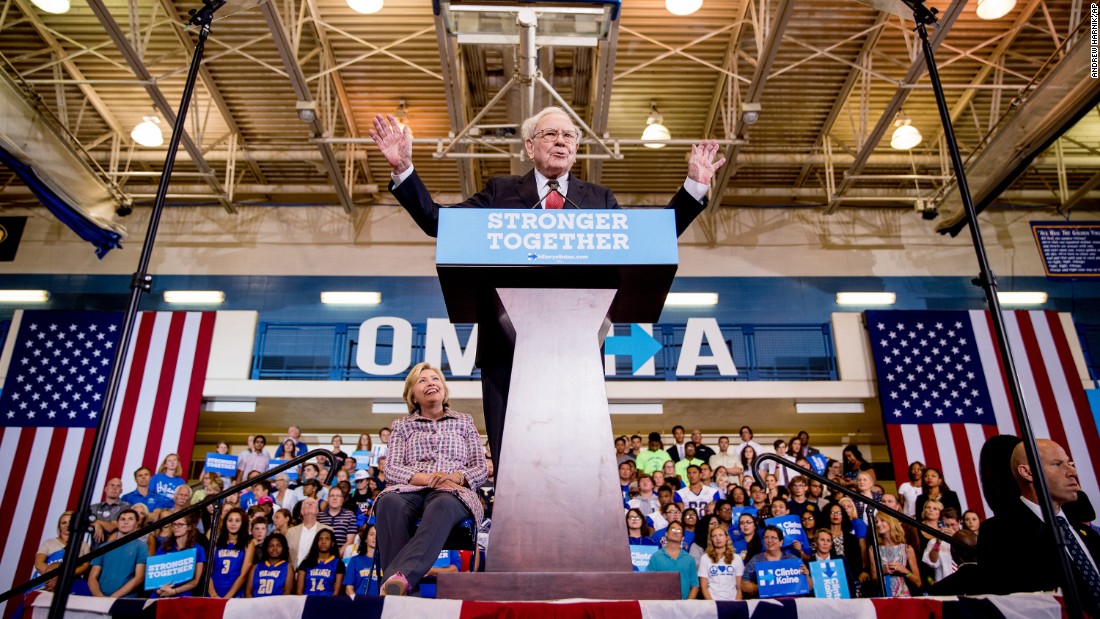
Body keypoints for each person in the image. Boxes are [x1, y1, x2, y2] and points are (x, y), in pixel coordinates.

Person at [370, 108, 725, 473]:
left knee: (573, 465)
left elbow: (649, 241)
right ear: (529, 145)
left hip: (578, 349)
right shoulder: (501, 191)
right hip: (506, 347)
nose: (561, 141)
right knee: (513, 465)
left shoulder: (599, 199)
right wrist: (403, 170)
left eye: (569, 136)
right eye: (550, 134)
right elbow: (438, 222)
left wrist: (693, 188)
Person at [373, 362, 488, 596]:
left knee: (443, 503)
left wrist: (456, 477)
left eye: (435, 379)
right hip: (410, 490)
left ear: (443, 389)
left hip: (452, 491)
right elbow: (392, 469)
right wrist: (427, 478)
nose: (430, 383)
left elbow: (480, 468)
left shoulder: (464, 421)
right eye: (422, 380)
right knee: (388, 503)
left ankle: (397, 584)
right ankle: (403, 589)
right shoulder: (402, 426)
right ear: (412, 395)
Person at [979, 438, 1100, 614]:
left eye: (1070, 463)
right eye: (1058, 464)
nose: (1072, 471)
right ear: (1027, 472)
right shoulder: (999, 535)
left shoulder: (1087, 534)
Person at [88, 508, 147, 598]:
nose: (125, 522)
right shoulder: (104, 547)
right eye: (122, 519)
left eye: (130, 519)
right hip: (100, 598)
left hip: (126, 599)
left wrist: (114, 597)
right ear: (118, 523)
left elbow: (139, 577)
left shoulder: (141, 546)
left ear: (136, 524)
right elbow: (92, 577)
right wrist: (99, 597)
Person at [741, 525, 811, 599]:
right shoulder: (756, 560)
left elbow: (809, 587)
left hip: (789, 603)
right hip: (766, 604)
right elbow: (744, 585)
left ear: (781, 542)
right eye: (766, 537)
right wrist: (760, 588)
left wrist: (806, 575)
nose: (769, 541)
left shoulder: (792, 560)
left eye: (773, 538)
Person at [150, 513, 205, 598]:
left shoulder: (198, 549)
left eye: (180, 524)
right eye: (174, 524)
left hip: (183, 593)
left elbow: (195, 581)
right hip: (160, 592)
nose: (176, 527)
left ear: (189, 527)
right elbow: (152, 575)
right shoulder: (163, 548)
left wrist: (174, 591)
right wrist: (158, 590)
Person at [34, 511, 91, 592]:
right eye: (64, 523)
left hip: (72, 586)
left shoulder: (83, 545)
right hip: (46, 586)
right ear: (59, 526)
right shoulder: (49, 543)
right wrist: (54, 576)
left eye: (70, 522)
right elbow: (38, 563)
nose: (67, 525)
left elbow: (85, 566)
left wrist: (66, 575)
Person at [208, 507, 255, 599]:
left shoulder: (248, 544)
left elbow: (244, 575)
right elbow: (208, 571)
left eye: (237, 521)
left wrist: (227, 597)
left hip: (234, 594)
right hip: (213, 592)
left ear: (243, 523)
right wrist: (214, 595)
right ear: (225, 522)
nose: (233, 524)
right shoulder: (216, 543)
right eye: (230, 520)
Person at [870, 513, 920, 597]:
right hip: (883, 595)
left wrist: (905, 571)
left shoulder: (907, 548)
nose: (878, 524)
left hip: (903, 596)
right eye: (876, 522)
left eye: (882, 520)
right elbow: (874, 580)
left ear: (891, 522)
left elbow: (918, 581)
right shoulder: (873, 549)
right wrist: (883, 572)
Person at [646, 521, 698, 599]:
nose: (675, 532)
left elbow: (695, 585)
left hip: (684, 606)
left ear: (682, 537)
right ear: (666, 534)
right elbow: (649, 583)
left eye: (679, 531)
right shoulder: (656, 557)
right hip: (661, 605)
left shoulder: (689, 559)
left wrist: (688, 604)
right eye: (673, 530)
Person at [697, 526, 743, 600]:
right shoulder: (705, 558)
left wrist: (737, 605)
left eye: (720, 535)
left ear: (726, 537)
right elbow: (703, 587)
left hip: (733, 600)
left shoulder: (737, 558)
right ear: (711, 539)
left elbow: (739, 587)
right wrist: (712, 605)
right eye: (714, 536)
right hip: (713, 601)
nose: (718, 538)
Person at [286, 497, 332, 569]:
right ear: (302, 511)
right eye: (306, 503)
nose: (310, 504)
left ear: (317, 511)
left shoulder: (327, 530)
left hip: (318, 572)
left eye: (313, 503)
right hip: (295, 572)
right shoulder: (290, 532)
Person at [296, 529, 344, 596]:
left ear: (332, 543)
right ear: (316, 542)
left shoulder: (339, 564)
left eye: (327, 539)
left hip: (328, 603)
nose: (323, 542)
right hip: (307, 602)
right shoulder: (305, 562)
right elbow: (299, 592)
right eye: (320, 539)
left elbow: (336, 593)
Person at [921, 507, 961, 586]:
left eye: (952, 525)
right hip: (944, 586)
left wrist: (955, 538)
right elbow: (932, 561)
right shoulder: (934, 542)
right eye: (946, 525)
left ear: (959, 522)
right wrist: (938, 543)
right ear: (941, 524)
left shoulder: (965, 539)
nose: (949, 528)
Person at [247, 533, 294, 597]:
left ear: (284, 548)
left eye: (279, 545)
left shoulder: (288, 567)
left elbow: (287, 593)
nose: (275, 548)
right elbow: (248, 592)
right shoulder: (256, 567)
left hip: (276, 605)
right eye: (271, 545)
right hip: (255, 605)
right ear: (266, 548)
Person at [89, 478, 131, 548]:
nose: (114, 488)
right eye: (112, 485)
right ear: (105, 489)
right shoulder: (93, 507)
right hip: (94, 550)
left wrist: (95, 521)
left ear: (121, 491)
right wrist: (95, 524)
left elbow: (113, 527)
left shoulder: (126, 508)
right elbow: (81, 522)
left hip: (116, 549)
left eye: (118, 486)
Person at [344, 524, 379, 596]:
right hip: (360, 603)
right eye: (371, 534)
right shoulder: (355, 561)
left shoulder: (386, 562)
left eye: (377, 534)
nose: (375, 537)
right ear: (365, 539)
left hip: (380, 604)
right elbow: (349, 589)